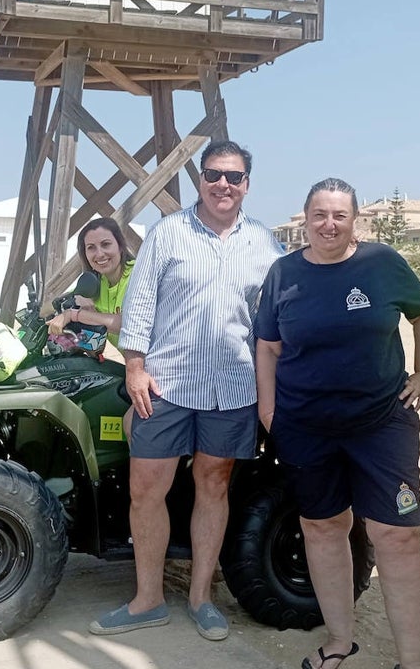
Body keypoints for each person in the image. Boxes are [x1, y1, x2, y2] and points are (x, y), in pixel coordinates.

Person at [88, 140, 281, 642]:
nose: (224, 184)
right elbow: (141, 304)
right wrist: (134, 366)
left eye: (234, 177)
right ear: (200, 179)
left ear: (246, 184)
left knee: (213, 486)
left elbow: (278, 317)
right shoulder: (166, 234)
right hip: (166, 383)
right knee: (145, 488)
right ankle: (147, 598)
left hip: (233, 387)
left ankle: (201, 598)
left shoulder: (264, 243)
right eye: (214, 174)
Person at [254, 178, 420, 669]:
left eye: (339, 215)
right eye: (319, 214)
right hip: (306, 426)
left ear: (354, 219)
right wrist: (268, 409)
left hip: (380, 422)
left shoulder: (381, 263)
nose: (328, 224)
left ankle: (412, 661)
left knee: (396, 535)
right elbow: (268, 347)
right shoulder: (284, 273)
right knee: (321, 527)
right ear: (305, 219)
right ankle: (339, 641)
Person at [47, 216, 135, 347]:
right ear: (85, 254)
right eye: (91, 247)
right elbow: (54, 304)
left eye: (106, 244)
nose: (99, 254)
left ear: (120, 246)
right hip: (133, 364)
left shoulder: (139, 274)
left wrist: (73, 315)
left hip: (163, 363)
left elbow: (130, 324)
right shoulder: (94, 285)